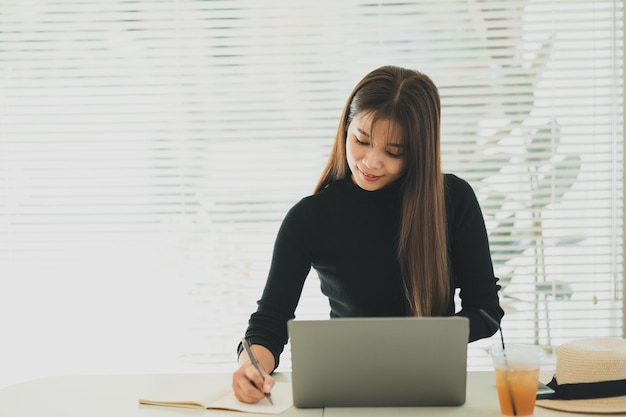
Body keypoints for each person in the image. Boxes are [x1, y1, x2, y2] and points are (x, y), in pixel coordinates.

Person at [231, 65, 504, 404]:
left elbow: (486, 311)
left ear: (420, 150)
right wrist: (252, 366)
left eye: (394, 151)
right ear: (346, 126)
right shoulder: (309, 218)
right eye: (361, 140)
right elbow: (270, 321)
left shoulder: (453, 200)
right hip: (346, 392)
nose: (371, 162)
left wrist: (433, 339)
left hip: (431, 391)